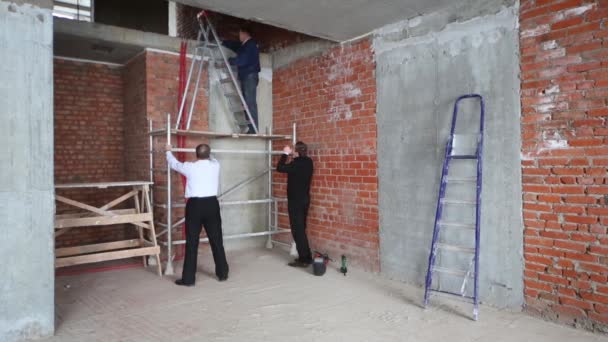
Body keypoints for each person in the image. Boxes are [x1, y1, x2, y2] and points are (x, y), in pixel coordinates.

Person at [166, 143, 229, 286]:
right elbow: (211, 158)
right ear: (209, 154)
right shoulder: (215, 165)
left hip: (195, 206)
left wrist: (168, 151)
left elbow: (174, 164)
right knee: (216, 239)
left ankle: (188, 279)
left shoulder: (190, 167)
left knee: (192, 242)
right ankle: (223, 273)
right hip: (212, 204)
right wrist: (208, 153)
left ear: (196, 154)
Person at [276, 142, 314, 267]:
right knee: (301, 229)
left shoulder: (296, 164)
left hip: (295, 202)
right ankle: (306, 256)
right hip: (305, 200)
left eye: (294, 150)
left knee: (297, 230)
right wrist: (294, 154)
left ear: (296, 152)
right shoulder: (309, 162)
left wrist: (285, 153)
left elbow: (280, 167)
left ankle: (305, 259)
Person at [222, 26, 261, 134]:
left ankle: (253, 129)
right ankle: (251, 127)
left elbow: (243, 60)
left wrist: (231, 61)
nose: (239, 36)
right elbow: (236, 46)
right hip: (246, 76)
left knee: (250, 103)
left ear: (245, 34)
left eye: (240, 34)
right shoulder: (244, 45)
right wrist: (223, 42)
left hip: (250, 76)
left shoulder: (251, 45)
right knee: (246, 103)